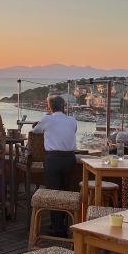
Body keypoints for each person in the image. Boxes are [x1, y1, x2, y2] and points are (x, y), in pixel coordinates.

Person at [31, 95, 77, 238]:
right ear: (63, 107)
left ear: (50, 107)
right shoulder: (72, 120)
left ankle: (58, 228)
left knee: (53, 193)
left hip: (54, 159)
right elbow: (71, 131)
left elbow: (35, 130)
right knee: (65, 192)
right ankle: (62, 224)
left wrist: (42, 121)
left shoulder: (47, 119)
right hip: (70, 159)